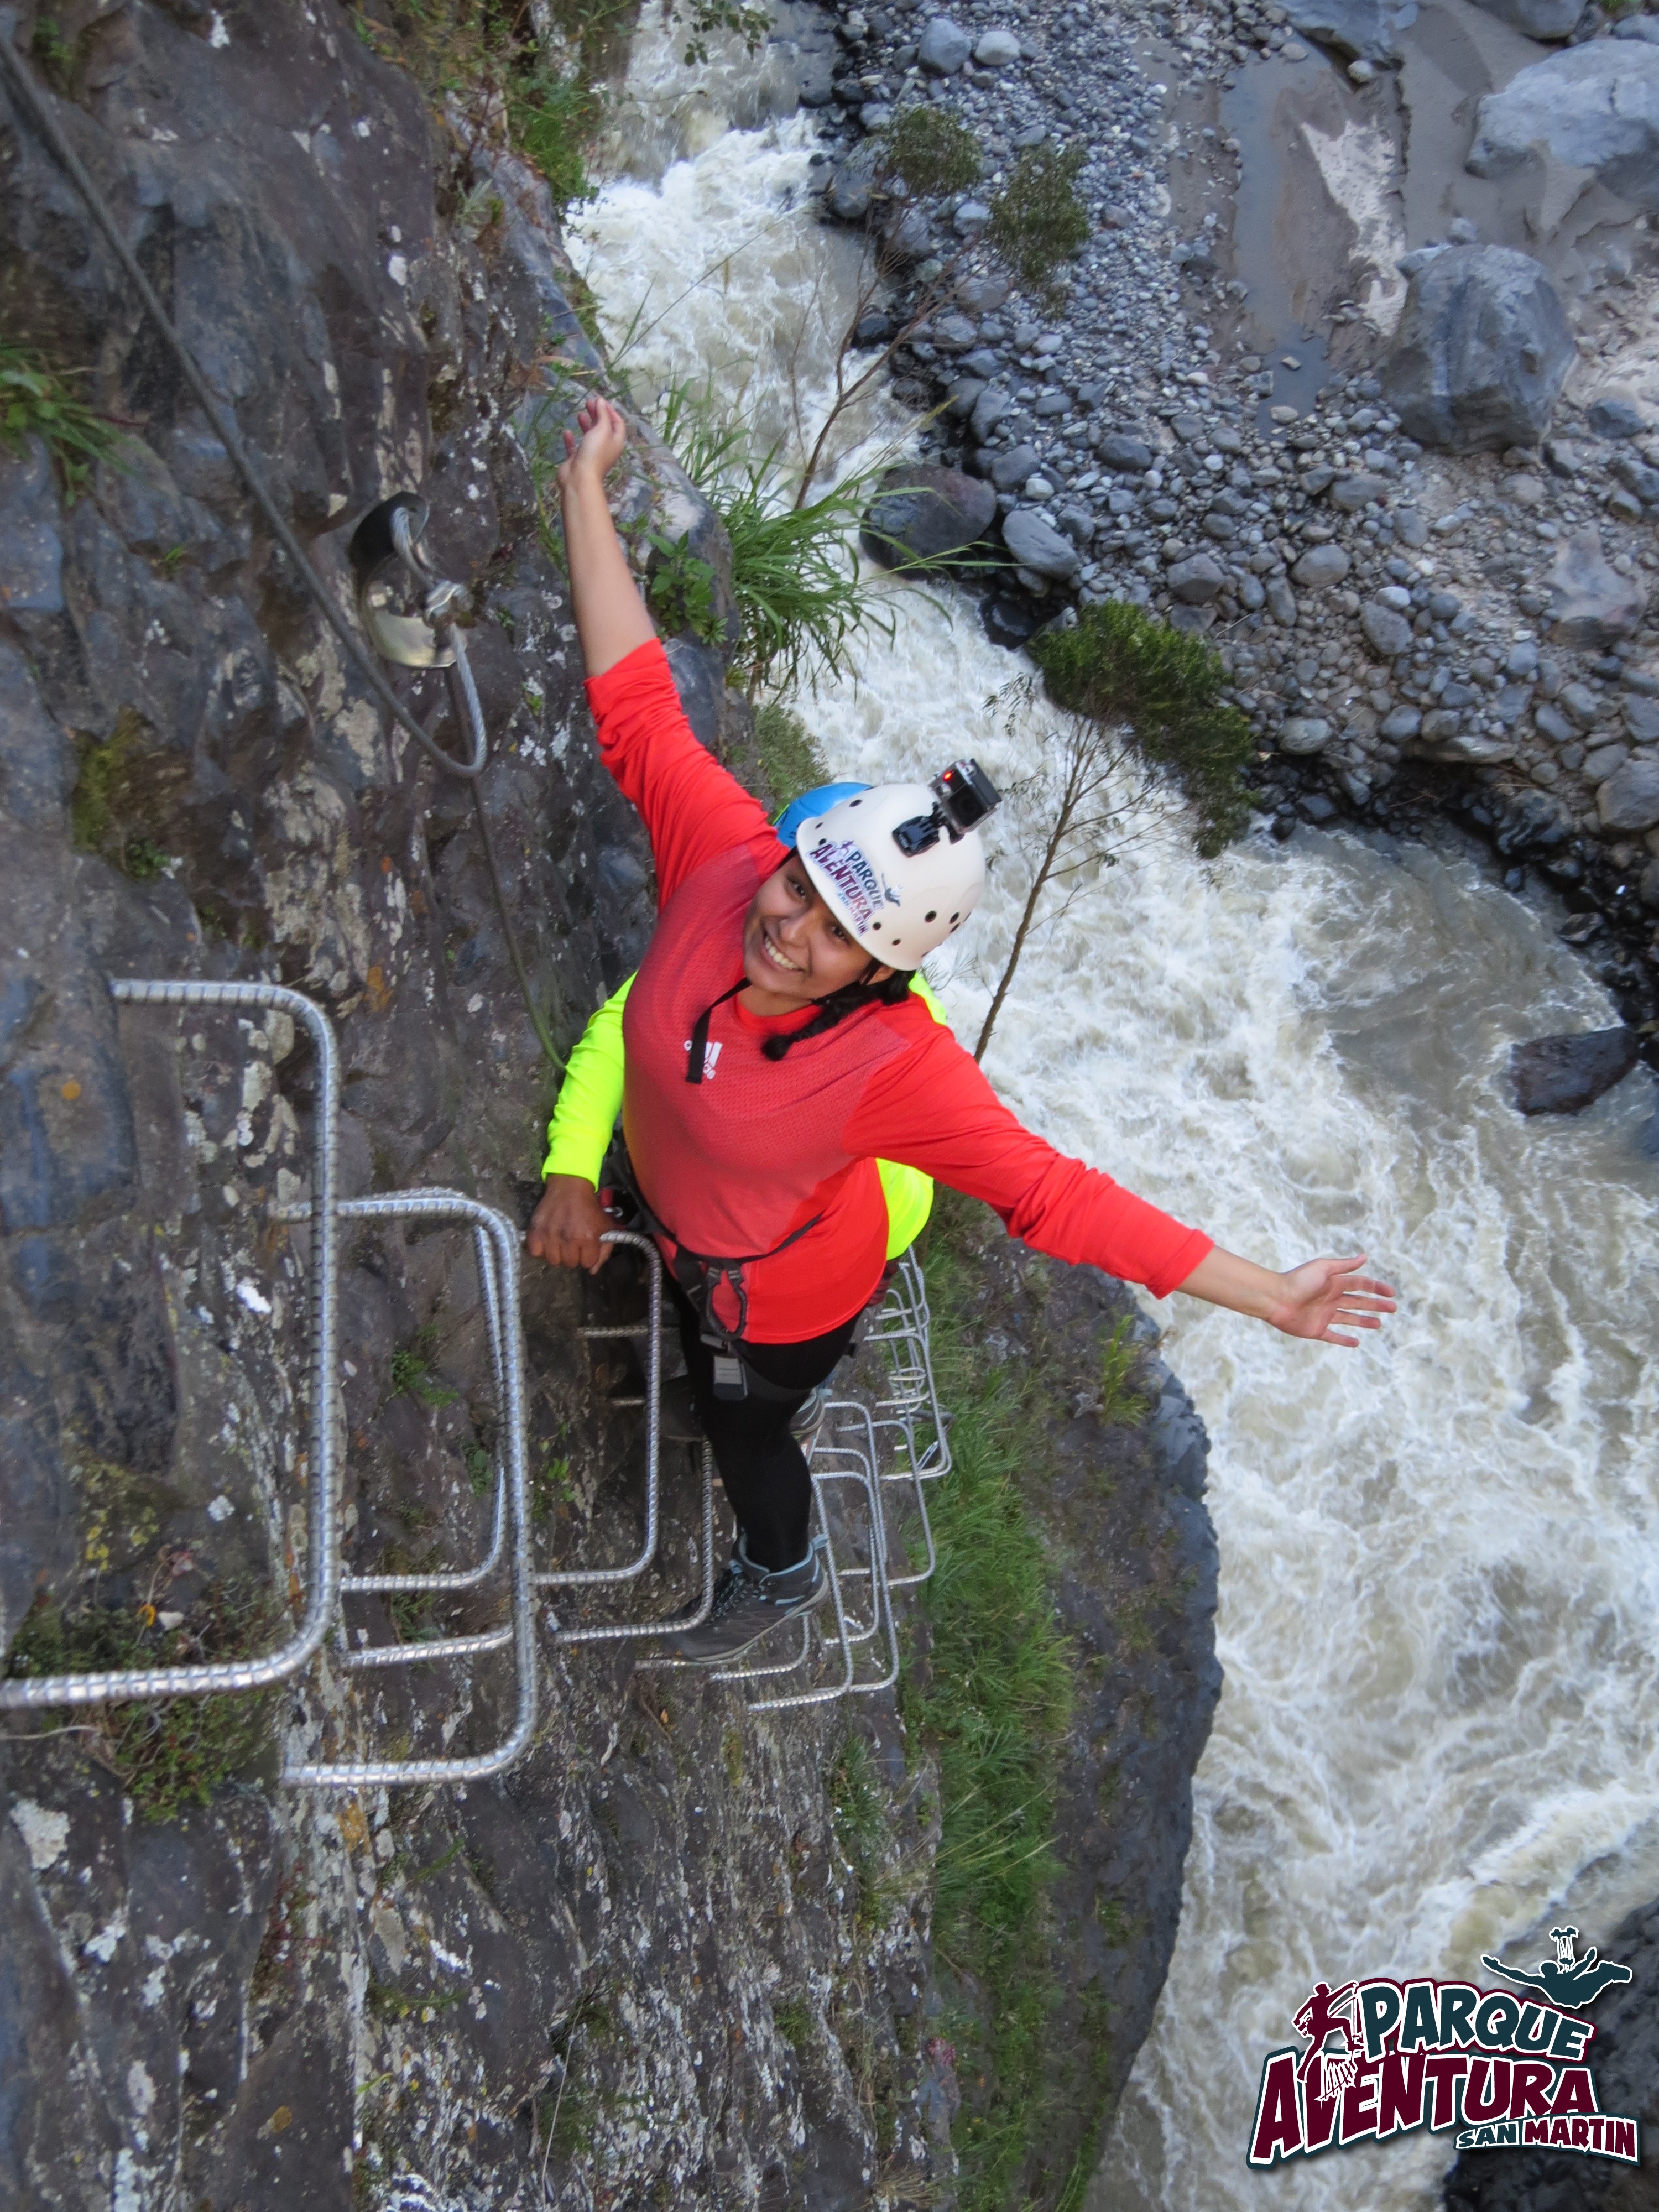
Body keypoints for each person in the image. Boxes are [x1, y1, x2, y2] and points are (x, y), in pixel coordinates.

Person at [527, 393, 1396, 1664]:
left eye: (837, 930)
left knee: (744, 1428)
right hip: (675, 1202)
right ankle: (674, 1321)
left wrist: (1267, 1293)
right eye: (803, 887)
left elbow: (1057, 1194)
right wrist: (585, 491)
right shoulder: (726, 860)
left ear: (886, 966)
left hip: (777, 1294)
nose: (791, 925)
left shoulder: (893, 1068)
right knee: (689, 1327)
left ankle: (781, 1568)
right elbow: (638, 705)